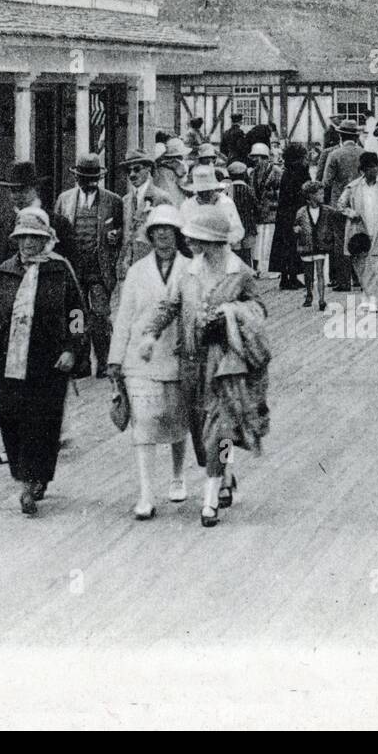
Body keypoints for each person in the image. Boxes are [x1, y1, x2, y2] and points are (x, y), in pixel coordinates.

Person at [138, 204, 269, 528]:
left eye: (196, 238)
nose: (190, 243)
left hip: (226, 364)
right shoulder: (188, 271)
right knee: (201, 431)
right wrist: (150, 335)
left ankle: (210, 500)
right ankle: (225, 473)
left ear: (212, 241)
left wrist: (229, 313)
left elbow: (259, 310)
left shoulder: (239, 272)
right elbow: (169, 305)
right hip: (191, 363)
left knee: (219, 429)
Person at [0, 209, 86, 516]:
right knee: (13, 419)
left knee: (44, 422)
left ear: (46, 240)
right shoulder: (6, 271)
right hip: (12, 359)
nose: (27, 244)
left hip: (50, 360)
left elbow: (76, 313)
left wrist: (72, 349)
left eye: (34, 238)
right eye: (22, 238)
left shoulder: (60, 270)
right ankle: (24, 477)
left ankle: (36, 479)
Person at [108, 205, 193, 518]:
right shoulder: (136, 271)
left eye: (168, 230)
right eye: (157, 231)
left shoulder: (190, 268)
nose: (162, 236)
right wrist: (115, 358)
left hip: (178, 357)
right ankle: (146, 494)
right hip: (140, 362)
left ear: (177, 234)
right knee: (143, 423)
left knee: (177, 420)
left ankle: (178, 475)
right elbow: (124, 316)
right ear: (150, 236)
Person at [52, 153, 122, 377]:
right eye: (84, 178)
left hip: (99, 268)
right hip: (73, 268)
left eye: (93, 179)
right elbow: (56, 233)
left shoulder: (113, 201)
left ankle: (103, 363)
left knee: (100, 315)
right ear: (77, 178)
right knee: (75, 314)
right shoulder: (64, 200)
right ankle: (80, 363)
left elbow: (122, 233)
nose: (89, 183)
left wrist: (115, 238)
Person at [337, 151, 378, 308]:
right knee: (360, 263)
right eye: (369, 168)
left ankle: (373, 298)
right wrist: (351, 213)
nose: (373, 171)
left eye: (376, 167)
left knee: (377, 264)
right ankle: (366, 295)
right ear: (363, 170)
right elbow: (340, 204)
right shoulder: (353, 187)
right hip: (359, 230)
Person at [117, 149, 174, 297]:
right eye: (128, 171)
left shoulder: (161, 198)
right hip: (131, 267)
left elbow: (171, 235)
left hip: (153, 266)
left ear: (148, 169)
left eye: (137, 169)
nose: (132, 175)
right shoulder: (126, 200)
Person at [321, 118, 364, 291]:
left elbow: (326, 182)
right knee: (358, 239)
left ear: (340, 135)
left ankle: (343, 281)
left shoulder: (335, 155)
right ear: (355, 137)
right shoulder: (364, 153)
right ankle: (359, 278)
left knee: (340, 241)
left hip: (339, 203)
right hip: (360, 202)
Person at [271, 142, 310, 289]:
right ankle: (293, 277)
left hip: (283, 212)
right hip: (297, 211)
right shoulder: (301, 170)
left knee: (283, 244)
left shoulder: (286, 170)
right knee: (295, 244)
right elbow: (306, 189)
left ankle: (284, 277)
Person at [294, 180, 334, 310]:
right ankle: (309, 294)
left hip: (320, 245)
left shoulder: (327, 210)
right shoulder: (301, 212)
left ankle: (322, 299)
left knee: (320, 272)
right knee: (308, 273)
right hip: (306, 245)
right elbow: (296, 224)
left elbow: (337, 215)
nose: (323, 196)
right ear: (311, 196)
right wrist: (296, 229)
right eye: (320, 194)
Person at [225, 161, 258, 269]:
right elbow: (256, 207)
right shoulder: (249, 189)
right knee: (247, 253)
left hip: (233, 226)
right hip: (248, 226)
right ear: (244, 175)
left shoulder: (227, 190)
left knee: (235, 252)